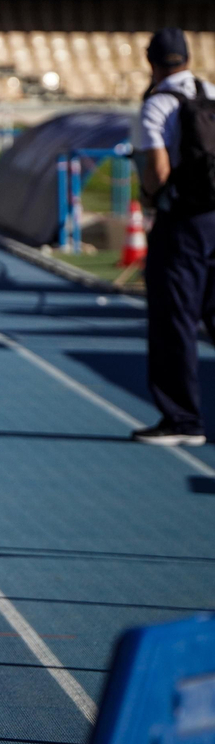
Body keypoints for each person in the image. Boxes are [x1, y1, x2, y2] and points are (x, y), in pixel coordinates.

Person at [132, 27, 215, 448]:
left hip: (184, 222)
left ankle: (182, 420)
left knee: (175, 319)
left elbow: (158, 171)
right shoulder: (211, 93)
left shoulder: (159, 104)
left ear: (152, 62)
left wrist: (150, 198)